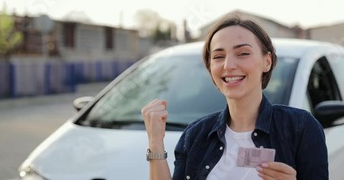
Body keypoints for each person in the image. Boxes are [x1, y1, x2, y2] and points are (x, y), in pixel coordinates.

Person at [141, 13, 328, 180]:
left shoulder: (300, 128)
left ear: (267, 62)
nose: (228, 65)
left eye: (243, 53)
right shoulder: (195, 135)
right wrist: (155, 142)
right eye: (218, 56)